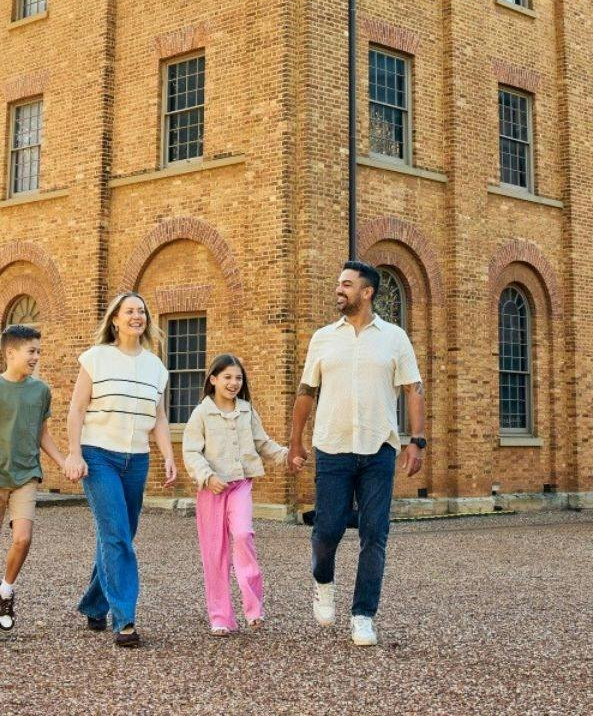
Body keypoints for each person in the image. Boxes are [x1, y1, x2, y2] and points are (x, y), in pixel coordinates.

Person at [288, 261, 424, 647]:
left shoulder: (395, 338)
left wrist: (418, 440)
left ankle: (363, 614)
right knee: (327, 530)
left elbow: (414, 389)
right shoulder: (323, 338)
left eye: (346, 284)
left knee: (375, 534)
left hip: (379, 448)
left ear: (367, 292)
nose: (339, 290)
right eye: (338, 284)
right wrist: (296, 441)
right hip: (332, 448)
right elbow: (305, 392)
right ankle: (323, 583)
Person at [62, 291, 176, 648]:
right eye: (129, 311)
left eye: (141, 311)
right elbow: (77, 410)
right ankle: (124, 619)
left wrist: (168, 455)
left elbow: (158, 418)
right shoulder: (96, 358)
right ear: (115, 319)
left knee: (120, 534)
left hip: (136, 461)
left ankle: (95, 603)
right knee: (115, 535)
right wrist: (74, 454)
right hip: (98, 457)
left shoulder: (156, 367)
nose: (136, 316)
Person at [0, 323, 67, 643]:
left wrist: (64, 462)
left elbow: (42, 435)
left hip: (27, 475)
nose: (37, 357)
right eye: (32, 351)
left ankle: (6, 589)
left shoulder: (41, 391)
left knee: (23, 538)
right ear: (11, 353)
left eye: (39, 351)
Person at [181, 353, 287, 635]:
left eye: (238, 377)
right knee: (214, 553)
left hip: (240, 485)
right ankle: (221, 617)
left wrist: (287, 457)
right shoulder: (201, 413)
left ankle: (253, 609)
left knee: (243, 535)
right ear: (213, 380)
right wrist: (207, 476)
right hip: (211, 490)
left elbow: (262, 443)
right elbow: (191, 450)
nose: (233, 382)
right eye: (227, 377)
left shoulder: (247, 411)